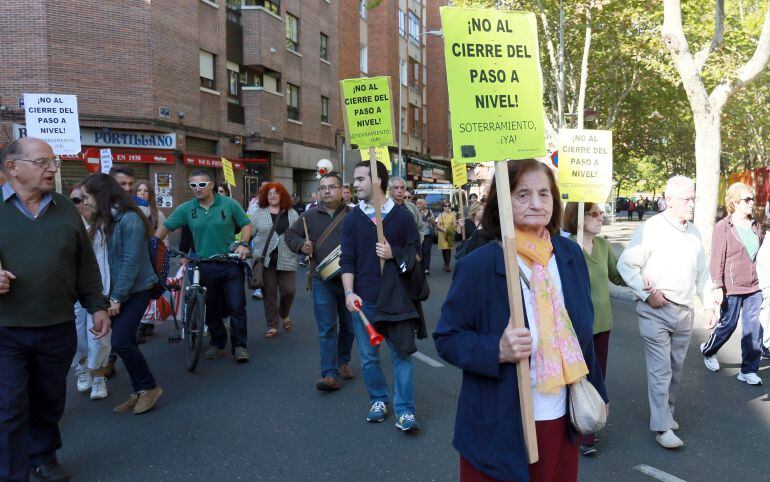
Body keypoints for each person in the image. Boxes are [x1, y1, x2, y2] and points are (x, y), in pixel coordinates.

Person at [433, 159, 607, 482]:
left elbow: (582, 336)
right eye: (523, 194)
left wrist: (599, 392)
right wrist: (496, 350)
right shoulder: (480, 265)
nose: (536, 203)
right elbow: (447, 338)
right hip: (500, 428)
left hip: (561, 419)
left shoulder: (570, 257)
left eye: (544, 193)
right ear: (503, 201)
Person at [0, 138, 110, 481]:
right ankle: (10, 472)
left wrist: (97, 305)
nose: (52, 169)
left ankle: (43, 455)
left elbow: (85, 263)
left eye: (54, 162)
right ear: (12, 167)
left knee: (49, 399)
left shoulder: (65, 208)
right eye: (43, 162)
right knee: (9, 406)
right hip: (6, 328)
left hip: (56, 324)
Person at [617, 175, 717, 449]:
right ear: (669, 200)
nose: (692, 204)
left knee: (675, 369)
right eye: (687, 199)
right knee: (661, 370)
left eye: (693, 198)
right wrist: (648, 294)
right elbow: (626, 265)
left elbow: (702, 274)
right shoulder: (651, 228)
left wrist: (708, 303)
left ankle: (666, 413)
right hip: (656, 310)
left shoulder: (694, 232)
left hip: (685, 312)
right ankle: (662, 428)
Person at [341, 160, 422, 432]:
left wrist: (393, 254)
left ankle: (405, 410)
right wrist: (349, 292)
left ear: (377, 182)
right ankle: (378, 400)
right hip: (365, 300)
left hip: (397, 299)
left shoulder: (402, 217)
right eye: (355, 179)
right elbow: (348, 260)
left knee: (402, 355)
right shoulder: (352, 219)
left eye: (361, 179)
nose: (355, 184)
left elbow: (416, 255)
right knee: (368, 357)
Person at [81, 174, 163, 414]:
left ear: (100, 195)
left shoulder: (130, 220)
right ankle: (139, 390)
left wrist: (116, 298)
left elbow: (130, 263)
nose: (85, 201)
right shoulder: (105, 219)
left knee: (121, 341)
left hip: (137, 289)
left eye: (87, 197)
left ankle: (149, 387)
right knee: (120, 341)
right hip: (115, 290)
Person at [156, 170, 253, 362]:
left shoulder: (229, 204)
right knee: (211, 307)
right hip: (203, 265)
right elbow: (166, 227)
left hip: (230, 262)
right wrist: (153, 245)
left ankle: (240, 346)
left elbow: (246, 224)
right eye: (193, 185)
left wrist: (244, 243)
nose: (197, 189)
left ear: (211, 185)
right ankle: (218, 342)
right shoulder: (187, 208)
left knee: (237, 306)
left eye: (201, 185)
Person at [563, 201, 627, 456]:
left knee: (597, 378)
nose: (601, 218)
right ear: (578, 218)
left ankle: (588, 424)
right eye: (595, 214)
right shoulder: (565, 246)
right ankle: (583, 433)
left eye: (601, 213)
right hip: (575, 327)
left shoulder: (603, 246)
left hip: (602, 325)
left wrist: (643, 279)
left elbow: (617, 275)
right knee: (578, 377)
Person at [284, 172, 355, 390]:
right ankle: (329, 374)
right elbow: (289, 234)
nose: (326, 191)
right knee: (326, 328)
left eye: (331, 187)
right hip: (321, 279)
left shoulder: (355, 215)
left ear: (342, 190)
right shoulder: (309, 216)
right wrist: (301, 245)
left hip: (350, 281)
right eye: (323, 187)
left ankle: (343, 361)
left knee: (349, 327)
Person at [701, 182, 764, 384]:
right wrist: (718, 286)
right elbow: (716, 258)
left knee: (754, 327)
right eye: (747, 199)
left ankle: (748, 370)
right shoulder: (724, 227)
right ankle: (709, 350)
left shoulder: (756, 226)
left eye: (752, 199)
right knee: (728, 324)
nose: (751, 203)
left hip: (754, 286)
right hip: (732, 286)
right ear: (734, 202)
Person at [70, 184, 112, 401]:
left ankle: (99, 377)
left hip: (98, 288)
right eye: (75, 200)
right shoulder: (65, 223)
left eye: (83, 199)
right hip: (72, 290)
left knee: (100, 337)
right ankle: (82, 368)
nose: (81, 203)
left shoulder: (103, 224)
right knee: (77, 335)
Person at [249, 182, 299, 338]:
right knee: (269, 294)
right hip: (265, 260)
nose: (272, 195)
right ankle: (272, 325)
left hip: (287, 258)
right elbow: (249, 232)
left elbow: (299, 234)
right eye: (269, 193)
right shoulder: (258, 213)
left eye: (275, 193)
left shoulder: (292, 214)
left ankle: (284, 313)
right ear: (265, 196)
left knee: (289, 291)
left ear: (282, 195)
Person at [135, 179, 167, 344]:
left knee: (150, 292)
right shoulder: (132, 212)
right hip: (136, 257)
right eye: (139, 190)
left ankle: (146, 324)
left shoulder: (158, 214)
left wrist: (163, 257)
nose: (142, 193)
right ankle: (141, 324)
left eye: (145, 190)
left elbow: (163, 238)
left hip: (152, 257)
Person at [389, 177, 424, 244]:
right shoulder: (384, 206)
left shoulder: (412, 207)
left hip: (410, 249)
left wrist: (418, 244)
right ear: (390, 190)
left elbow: (420, 227)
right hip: (391, 249)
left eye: (402, 188)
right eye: (396, 188)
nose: (399, 191)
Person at [416, 198, 435, 275]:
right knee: (419, 251)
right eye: (417, 203)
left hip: (427, 235)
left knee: (426, 251)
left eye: (420, 203)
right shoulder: (415, 211)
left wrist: (431, 220)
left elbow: (434, 224)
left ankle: (426, 268)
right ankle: (420, 267)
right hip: (418, 235)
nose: (418, 205)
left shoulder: (429, 212)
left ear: (424, 204)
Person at [436, 202, 457, 272]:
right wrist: (443, 229)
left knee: (448, 249)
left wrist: (448, 229)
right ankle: (445, 263)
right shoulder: (440, 215)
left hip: (449, 233)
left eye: (449, 205)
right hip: (442, 234)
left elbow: (454, 224)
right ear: (443, 207)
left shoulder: (452, 214)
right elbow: (438, 225)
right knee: (444, 249)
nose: (447, 207)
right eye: (446, 206)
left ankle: (447, 265)